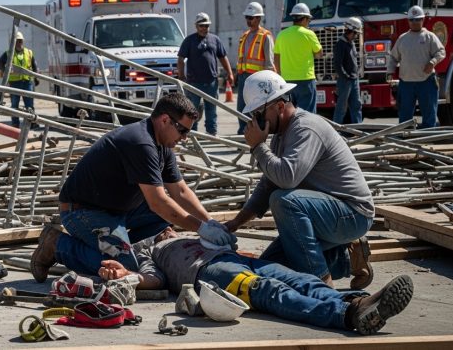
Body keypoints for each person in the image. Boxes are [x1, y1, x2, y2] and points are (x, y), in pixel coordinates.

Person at [30, 93, 237, 283]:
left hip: (117, 210)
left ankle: (122, 244)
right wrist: (201, 229)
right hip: (83, 212)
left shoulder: (163, 146)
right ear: (165, 120)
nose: (184, 137)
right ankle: (57, 245)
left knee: (169, 215)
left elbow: (180, 192)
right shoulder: (141, 143)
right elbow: (158, 202)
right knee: (126, 267)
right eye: (182, 130)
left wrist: (210, 223)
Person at [98, 228, 415, 336]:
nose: (168, 230)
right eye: (163, 230)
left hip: (238, 260)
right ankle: (345, 316)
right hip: (211, 274)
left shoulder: (190, 233)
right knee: (273, 293)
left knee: (298, 278)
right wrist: (128, 277)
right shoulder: (151, 250)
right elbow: (153, 279)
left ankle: (356, 302)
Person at [225, 70, 374, 289]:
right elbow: (268, 184)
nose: (256, 120)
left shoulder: (305, 128)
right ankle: (346, 259)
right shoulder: (281, 136)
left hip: (352, 214)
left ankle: (323, 284)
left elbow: (286, 179)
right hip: (325, 214)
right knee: (270, 269)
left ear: (279, 106)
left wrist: (258, 147)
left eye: (259, 113)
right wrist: (235, 223)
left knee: (283, 200)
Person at [177, 12, 234, 136]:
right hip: (194, 84)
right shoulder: (189, 40)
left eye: (206, 26)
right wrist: (181, 76)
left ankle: (211, 133)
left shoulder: (215, 39)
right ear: (196, 26)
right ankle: (193, 134)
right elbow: (181, 59)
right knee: (192, 111)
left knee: (211, 111)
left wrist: (230, 73)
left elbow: (223, 57)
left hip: (211, 83)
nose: (204, 28)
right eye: (201, 26)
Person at [388, 5, 445, 129]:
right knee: (404, 116)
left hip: (426, 81)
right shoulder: (402, 39)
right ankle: (406, 138)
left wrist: (432, 62)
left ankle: (428, 138)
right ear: (408, 21)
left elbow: (441, 52)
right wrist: (389, 72)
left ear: (423, 20)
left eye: (417, 19)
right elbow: (393, 57)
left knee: (429, 114)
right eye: (411, 20)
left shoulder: (429, 36)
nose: (414, 22)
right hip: (406, 83)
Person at [273, 3, 323, 113]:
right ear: (304, 19)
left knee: (289, 113)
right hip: (306, 80)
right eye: (309, 20)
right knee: (307, 114)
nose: (308, 22)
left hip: (287, 81)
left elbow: (276, 56)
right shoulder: (309, 34)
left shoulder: (282, 34)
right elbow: (319, 54)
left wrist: (280, 75)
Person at [236, 2, 276, 134]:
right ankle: (243, 135)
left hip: (258, 79)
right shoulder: (244, 36)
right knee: (242, 108)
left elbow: (269, 61)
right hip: (244, 77)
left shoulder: (265, 36)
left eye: (251, 17)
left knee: (257, 109)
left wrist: (268, 79)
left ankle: (257, 135)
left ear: (259, 18)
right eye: (247, 17)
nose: (248, 20)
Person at [0, 31, 39, 127]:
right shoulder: (8, 53)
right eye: (17, 41)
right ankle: (15, 123)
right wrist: (5, 72)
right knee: (14, 105)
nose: (19, 43)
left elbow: (35, 66)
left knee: (29, 104)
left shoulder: (29, 52)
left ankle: (32, 123)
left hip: (27, 82)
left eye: (20, 41)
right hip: (15, 83)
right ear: (14, 42)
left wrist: (36, 78)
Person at [332, 17, 364, 124]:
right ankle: (336, 131)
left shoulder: (351, 43)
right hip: (345, 81)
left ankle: (358, 129)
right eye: (355, 33)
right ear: (350, 30)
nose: (356, 36)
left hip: (354, 79)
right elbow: (337, 64)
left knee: (356, 105)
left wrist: (354, 75)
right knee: (341, 107)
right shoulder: (340, 45)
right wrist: (346, 76)